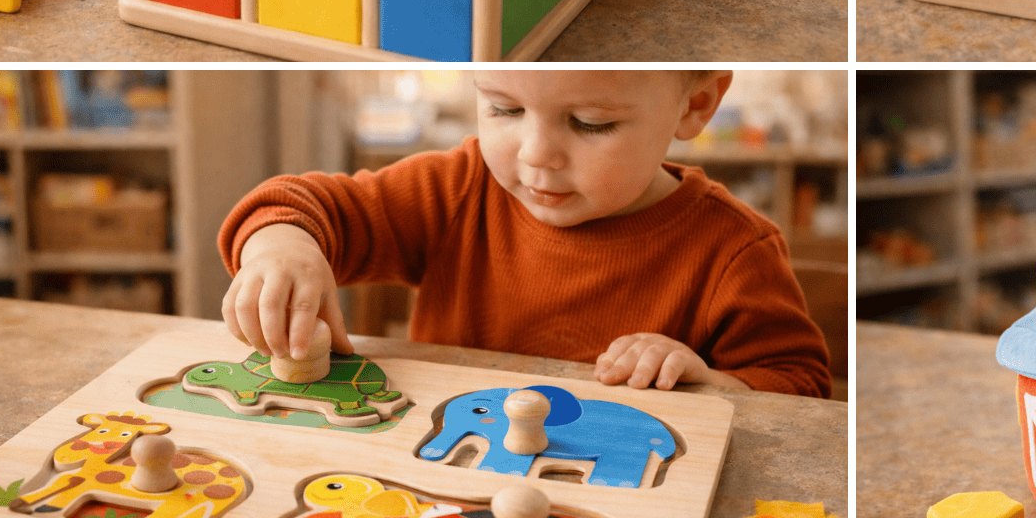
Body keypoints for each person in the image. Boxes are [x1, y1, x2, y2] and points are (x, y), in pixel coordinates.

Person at [220, 70, 832, 398]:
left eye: (590, 123)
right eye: (504, 110)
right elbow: (300, 205)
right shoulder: (461, 187)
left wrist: (709, 380)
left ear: (695, 106)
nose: (536, 155)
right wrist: (283, 245)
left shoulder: (735, 250)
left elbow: (799, 394)